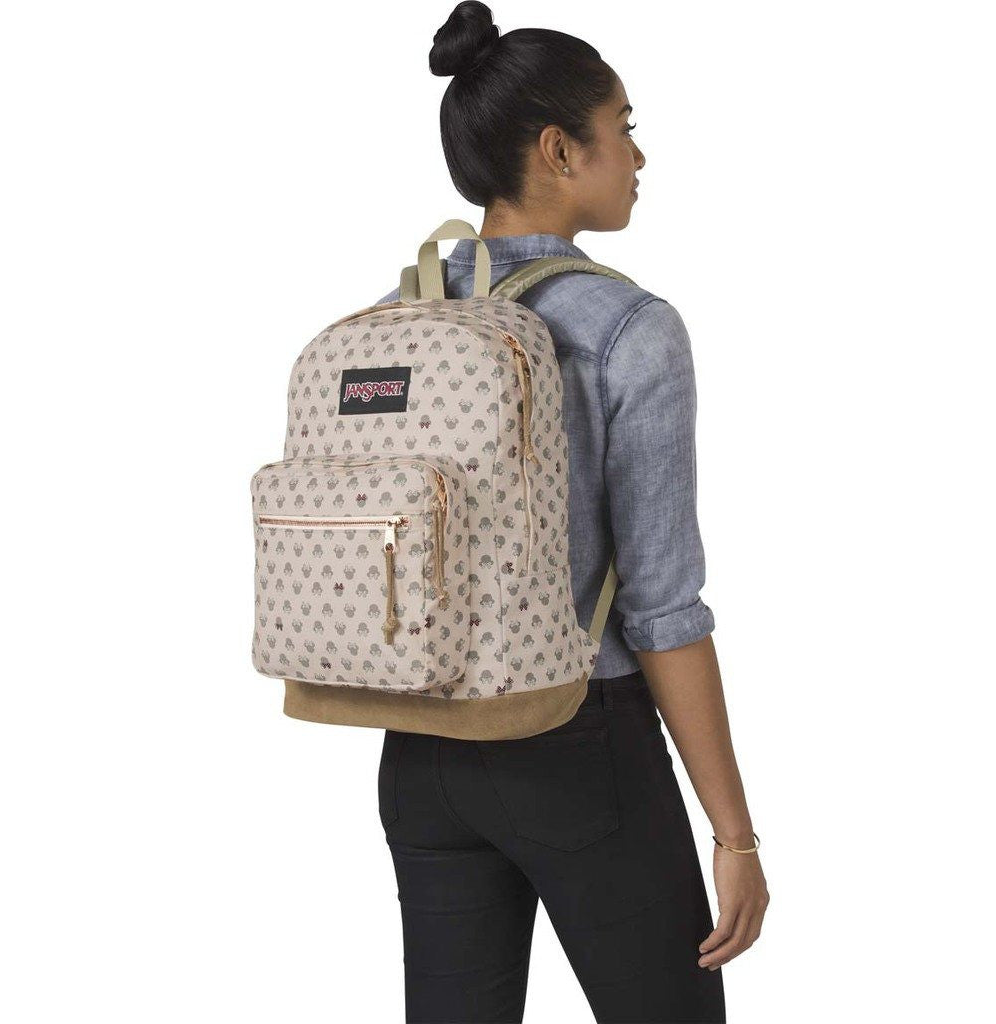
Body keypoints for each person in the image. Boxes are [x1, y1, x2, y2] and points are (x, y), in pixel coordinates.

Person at [373, 4, 768, 1021]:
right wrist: (734, 835)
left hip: (418, 748)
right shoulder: (628, 327)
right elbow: (663, 608)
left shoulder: (399, 317)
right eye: (622, 127)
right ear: (559, 150)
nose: (638, 156)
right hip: (576, 742)